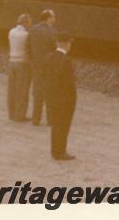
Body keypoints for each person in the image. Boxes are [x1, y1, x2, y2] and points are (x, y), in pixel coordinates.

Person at [45, 30, 77, 160]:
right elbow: (69, 83)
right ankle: (61, 152)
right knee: (63, 126)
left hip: (52, 97)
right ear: (67, 44)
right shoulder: (66, 60)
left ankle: (55, 151)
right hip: (65, 99)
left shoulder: (49, 57)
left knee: (55, 125)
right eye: (70, 43)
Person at [29, 9, 57, 126]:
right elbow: (55, 49)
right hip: (48, 65)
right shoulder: (52, 31)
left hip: (36, 64)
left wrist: (33, 60)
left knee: (37, 92)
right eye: (53, 17)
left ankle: (36, 119)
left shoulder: (33, 29)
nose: (55, 19)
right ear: (49, 18)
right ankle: (50, 120)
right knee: (49, 92)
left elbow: (28, 46)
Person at [7, 13, 32, 122]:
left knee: (12, 89)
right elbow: (29, 49)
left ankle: (11, 113)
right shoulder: (26, 35)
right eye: (29, 22)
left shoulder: (11, 32)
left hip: (12, 61)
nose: (30, 24)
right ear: (25, 22)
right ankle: (20, 115)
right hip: (23, 63)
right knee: (22, 89)